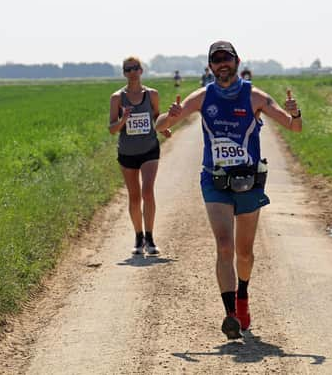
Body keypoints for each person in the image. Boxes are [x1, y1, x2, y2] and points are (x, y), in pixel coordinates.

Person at [156, 40, 302, 339]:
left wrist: (295, 113)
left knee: (245, 253)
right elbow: (160, 126)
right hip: (215, 180)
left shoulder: (255, 96)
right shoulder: (202, 96)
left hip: (248, 180)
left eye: (227, 58)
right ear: (210, 66)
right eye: (216, 59)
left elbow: (294, 127)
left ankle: (243, 296)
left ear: (237, 61)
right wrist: (169, 116)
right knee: (224, 246)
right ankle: (230, 315)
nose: (222, 63)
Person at [109, 56, 170, 256]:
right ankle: (138, 236)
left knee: (147, 192)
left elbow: (156, 118)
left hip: (149, 149)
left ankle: (150, 238)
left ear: (141, 70)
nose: (133, 72)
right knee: (134, 197)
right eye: (128, 69)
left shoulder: (152, 94)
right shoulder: (117, 98)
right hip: (127, 151)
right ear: (124, 73)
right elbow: (112, 129)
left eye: (136, 68)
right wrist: (123, 119)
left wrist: (163, 129)